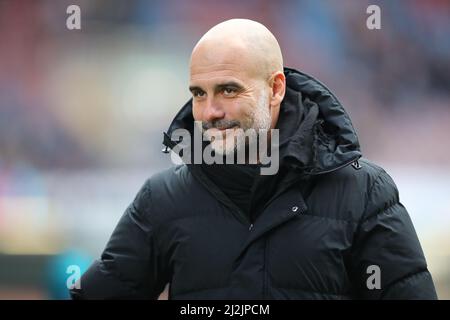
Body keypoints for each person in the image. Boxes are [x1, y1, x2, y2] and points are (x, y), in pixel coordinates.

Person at [70, 19, 437, 300]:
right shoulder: (163, 198)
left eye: (228, 90)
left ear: (276, 88)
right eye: (199, 93)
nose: (210, 111)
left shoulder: (364, 192)